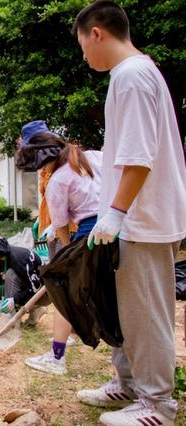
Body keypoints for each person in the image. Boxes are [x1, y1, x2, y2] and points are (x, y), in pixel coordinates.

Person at [72, 2, 186, 425]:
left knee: (146, 313)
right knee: (122, 311)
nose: (84, 56)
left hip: (144, 220)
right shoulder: (133, 75)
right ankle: (129, 384)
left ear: (97, 32)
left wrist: (117, 212)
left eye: (82, 45)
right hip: (134, 220)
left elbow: (138, 158)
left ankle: (157, 405)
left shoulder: (133, 77)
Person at [15, 120, 102, 375]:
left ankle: (56, 358)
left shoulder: (58, 180)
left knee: (62, 289)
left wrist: (66, 257)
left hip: (88, 232)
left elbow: (63, 228)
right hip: (115, 228)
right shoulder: (93, 158)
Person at [0, 230, 45, 318]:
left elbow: (36, 287)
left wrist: (14, 300)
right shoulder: (3, 257)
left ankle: (15, 317)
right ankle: (16, 313)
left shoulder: (18, 259)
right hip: (27, 288)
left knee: (11, 274)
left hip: (42, 293)